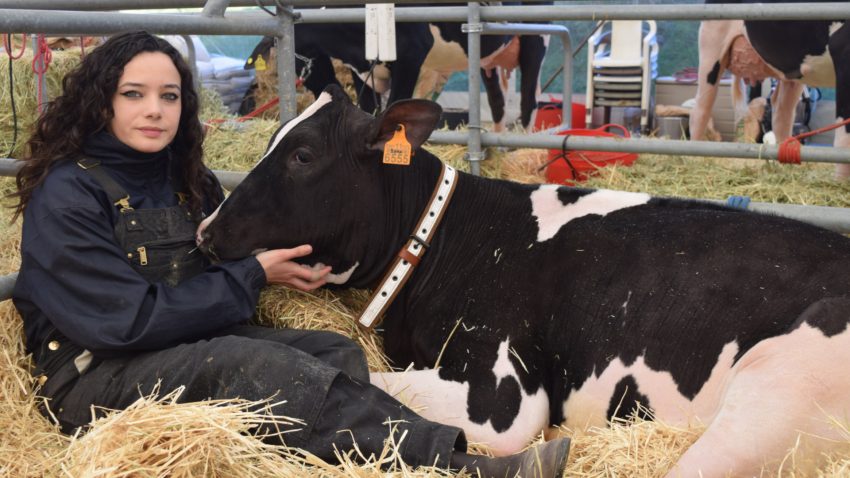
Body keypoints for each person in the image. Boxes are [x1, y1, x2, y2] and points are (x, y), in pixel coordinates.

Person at [9, 31, 569, 476]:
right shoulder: (69, 192)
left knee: (329, 351)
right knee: (256, 367)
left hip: (174, 343)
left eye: (169, 96)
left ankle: (351, 454)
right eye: (134, 94)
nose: (154, 110)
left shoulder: (185, 179)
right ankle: (458, 466)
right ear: (100, 100)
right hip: (95, 377)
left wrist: (276, 269)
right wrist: (252, 275)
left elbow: (216, 262)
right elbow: (121, 324)